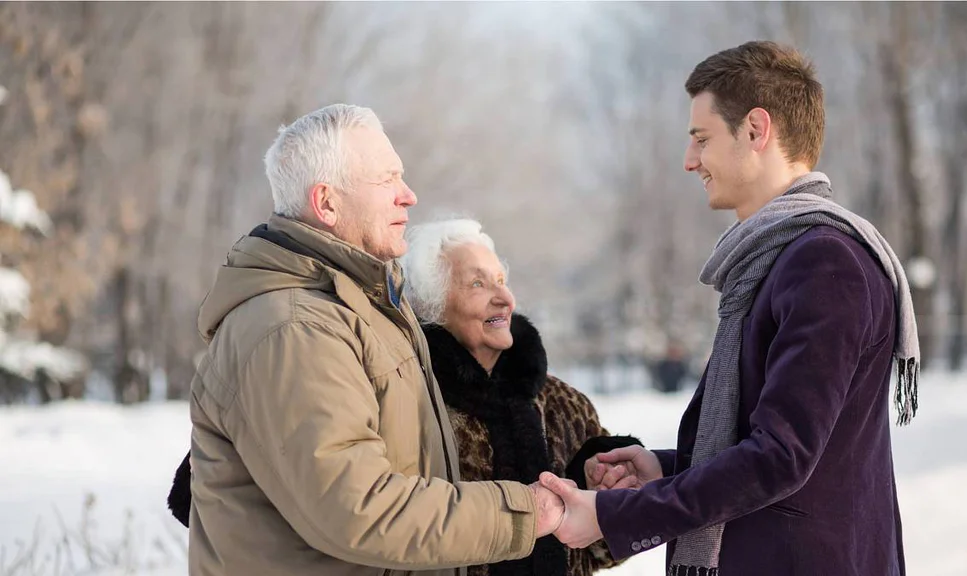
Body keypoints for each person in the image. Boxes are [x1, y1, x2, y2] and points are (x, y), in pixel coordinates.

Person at [539, 41, 918, 576]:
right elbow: (767, 444)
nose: (690, 161)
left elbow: (780, 458)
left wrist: (612, 515)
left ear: (756, 130)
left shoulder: (825, 264)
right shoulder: (778, 259)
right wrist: (665, 471)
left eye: (702, 139)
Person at [175, 103, 566, 576]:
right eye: (387, 180)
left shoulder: (363, 305)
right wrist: (524, 510)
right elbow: (359, 509)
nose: (409, 195)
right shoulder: (296, 329)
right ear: (327, 203)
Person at [399, 218, 643, 576]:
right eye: (478, 284)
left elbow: (605, 551)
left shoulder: (564, 403)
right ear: (431, 306)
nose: (505, 298)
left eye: (501, 280)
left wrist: (599, 491)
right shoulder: (412, 402)